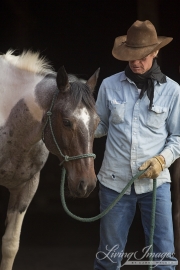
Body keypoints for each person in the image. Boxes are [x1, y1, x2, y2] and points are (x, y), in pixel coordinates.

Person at [94, 20, 180, 270]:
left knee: (164, 257)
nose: (135, 61)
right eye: (131, 55)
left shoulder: (173, 91)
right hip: (114, 183)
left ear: (155, 52)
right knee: (108, 258)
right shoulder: (109, 85)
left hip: (156, 184)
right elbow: (100, 127)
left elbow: (177, 137)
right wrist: (78, 126)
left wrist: (162, 160)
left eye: (142, 56)